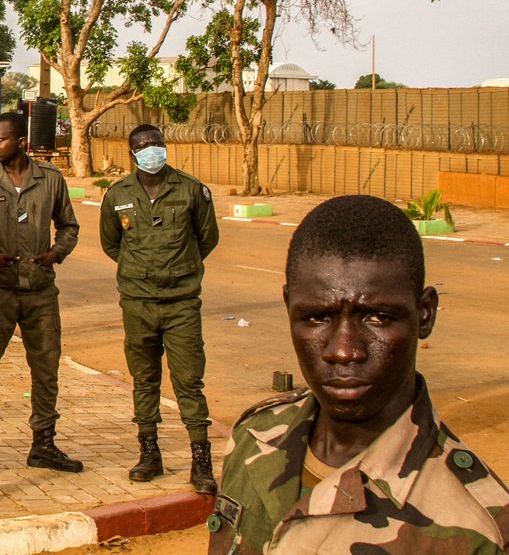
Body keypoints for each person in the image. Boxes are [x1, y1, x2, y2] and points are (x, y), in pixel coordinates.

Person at [208, 195, 509, 553]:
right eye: (317, 317)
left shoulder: (479, 530)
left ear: (424, 314)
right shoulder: (254, 437)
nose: (344, 351)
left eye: (377, 317)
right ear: (289, 307)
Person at [0, 112, 82, 478]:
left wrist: (58, 252)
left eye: (0, 139)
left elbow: (69, 225)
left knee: (46, 369)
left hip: (40, 291)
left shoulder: (51, 181)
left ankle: (43, 443)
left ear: (21, 142)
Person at [99, 123, 220, 494]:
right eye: (143, 146)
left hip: (181, 302)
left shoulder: (191, 190)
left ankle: (201, 461)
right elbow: (112, 244)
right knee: (144, 379)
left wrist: (178, 269)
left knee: (188, 381)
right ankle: (149, 453)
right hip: (137, 302)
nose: (152, 150)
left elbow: (207, 238)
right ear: (131, 153)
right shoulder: (117, 194)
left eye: (157, 144)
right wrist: (141, 272)